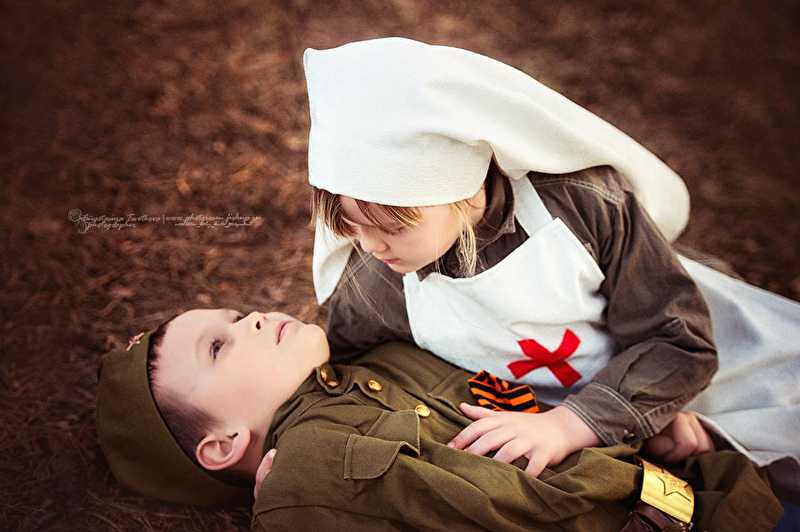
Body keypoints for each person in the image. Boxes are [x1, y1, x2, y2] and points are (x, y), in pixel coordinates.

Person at [303, 37, 800, 492]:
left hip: (668, 384)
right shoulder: (378, 279)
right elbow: (344, 369)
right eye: (350, 227)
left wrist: (574, 424)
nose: (369, 246)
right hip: (542, 425)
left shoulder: (582, 205)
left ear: (463, 188)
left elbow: (679, 341)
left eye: (392, 227)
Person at [95, 308, 785, 531]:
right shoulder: (301, 480)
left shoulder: (391, 351)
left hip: (719, 494)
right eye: (217, 347)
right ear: (222, 445)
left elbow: (527, 405)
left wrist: (635, 429)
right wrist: (291, 505)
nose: (248, 319)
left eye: (232, 312)